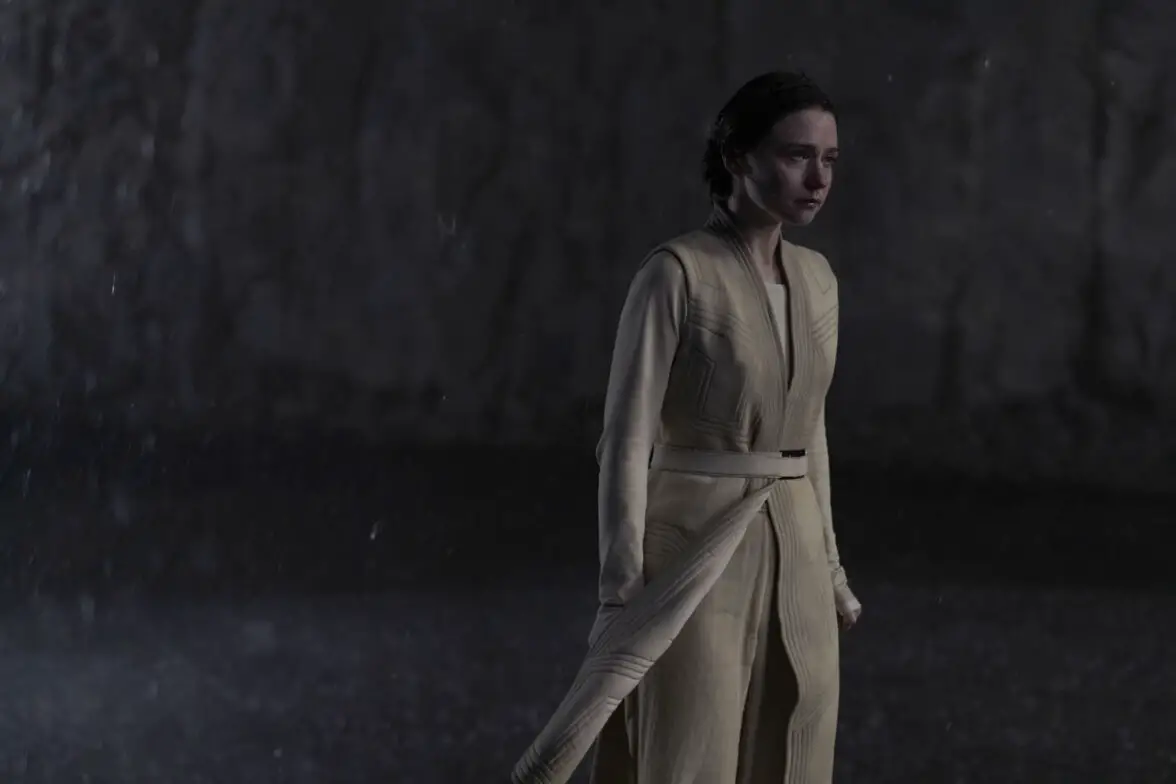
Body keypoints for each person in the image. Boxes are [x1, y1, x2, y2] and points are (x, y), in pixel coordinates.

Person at [510, 71, 861, 784]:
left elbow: (809, 435)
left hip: (794, 539)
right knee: (690, 744)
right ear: (736, 156)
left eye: (828, 159)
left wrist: (829, 566)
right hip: (695, 542)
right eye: (796, 155)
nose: (817, 178)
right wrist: (620, 587)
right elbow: (626, 439)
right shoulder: (676, 274)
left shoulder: (819, 279)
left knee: (797, 729)